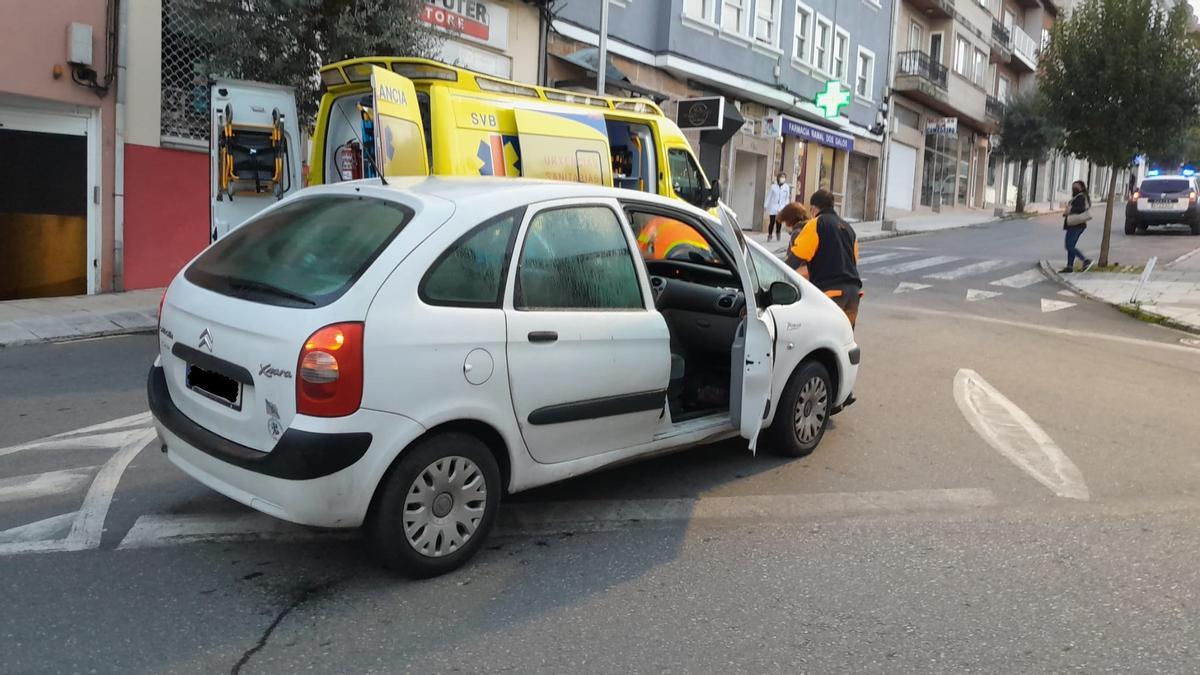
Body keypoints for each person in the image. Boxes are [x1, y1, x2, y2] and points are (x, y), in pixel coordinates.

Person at [786, 189, 863, 327]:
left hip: (830, 294)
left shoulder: (815, 224)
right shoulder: (849, 229)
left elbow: (795, 260)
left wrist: (777, 274)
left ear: (814, 209)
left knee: (821, 339)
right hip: (853, 294)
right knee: (844, 341)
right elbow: (854, 260)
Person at [1061, 180, 1094, 273]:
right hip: (1076, 224)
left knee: (1069, 246)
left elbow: (1081, 209)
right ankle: (1069, 266)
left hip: (1076, 225)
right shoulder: (1080, 196)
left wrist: (1070, 210)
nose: (1074, 188)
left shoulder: (1080, 197)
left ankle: (1085, 260)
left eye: (1076, 187)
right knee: (1071, 246)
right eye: (1073, 186)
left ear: (1082, 187)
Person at [763, 173, 791, 242]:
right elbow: (769, 196)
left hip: (781, 207)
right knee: (772, 222)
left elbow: (787, 198)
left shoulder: (786, 187)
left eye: (784, 177)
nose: (782, 178)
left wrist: (786, 206)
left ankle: (778, 234)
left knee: (779, 222)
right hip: (773, 206)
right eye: (781, 177)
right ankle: (769, 235)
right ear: (778, 178)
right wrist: (765, 205)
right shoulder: (773, 187)